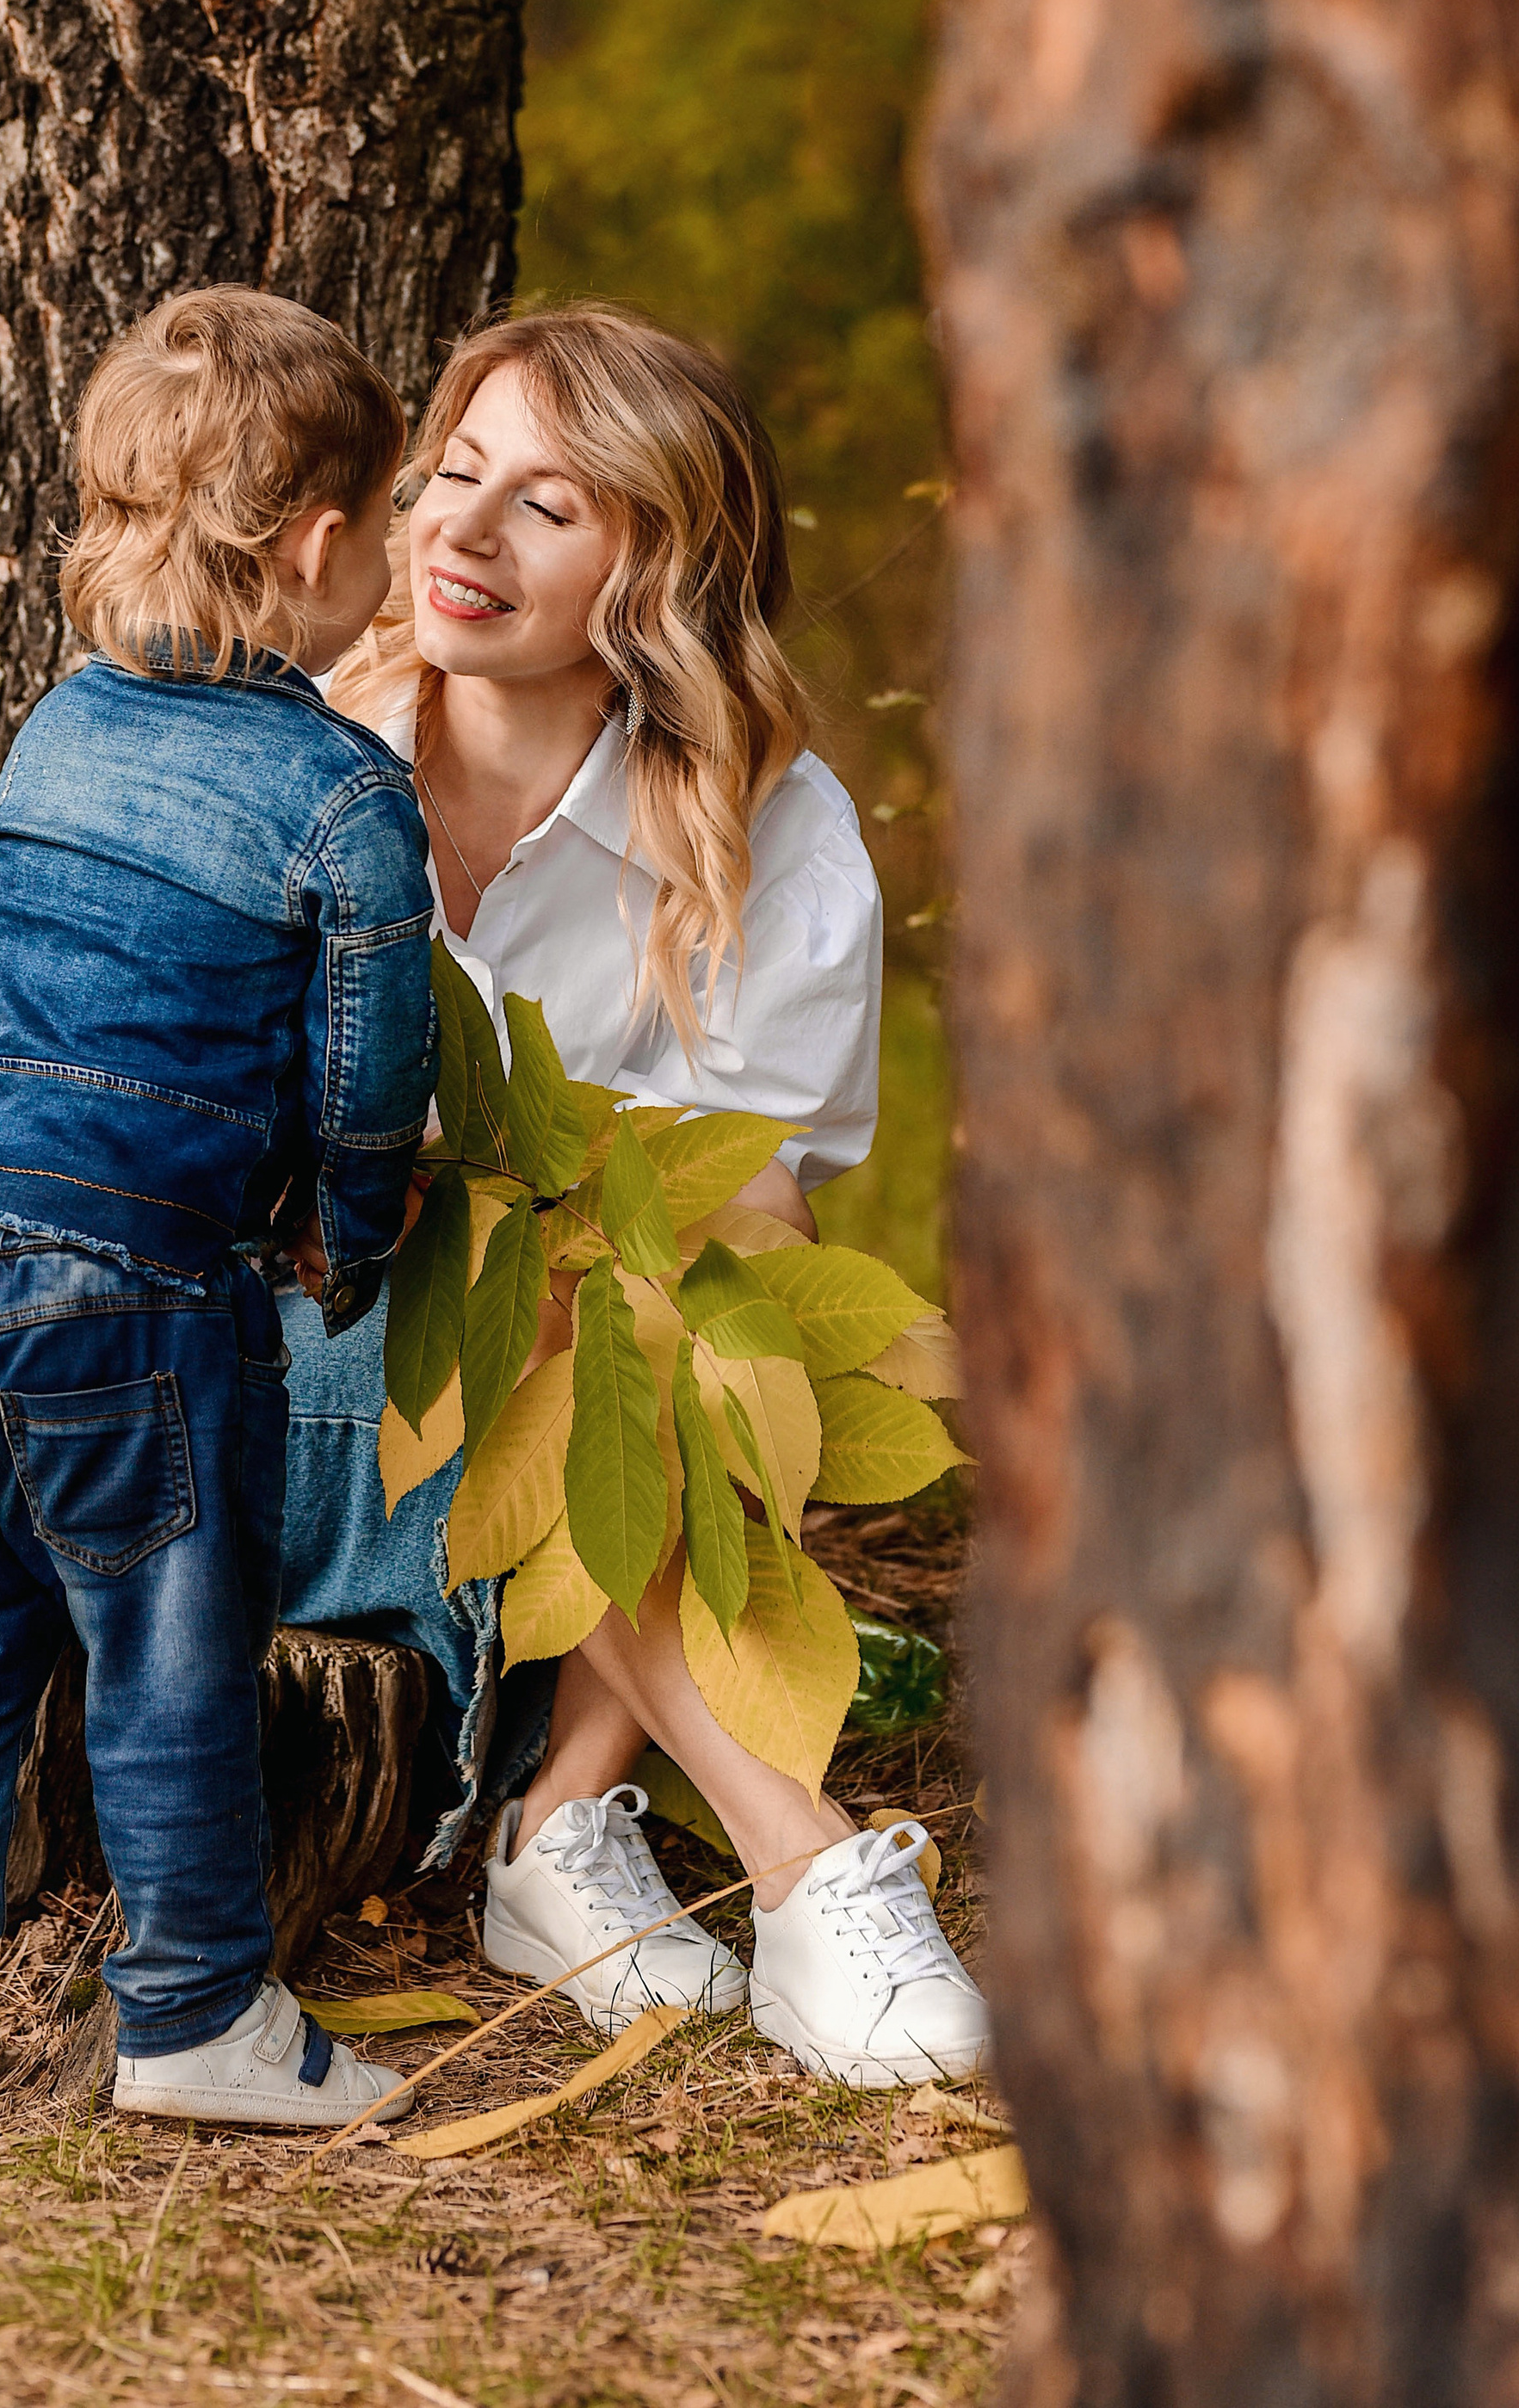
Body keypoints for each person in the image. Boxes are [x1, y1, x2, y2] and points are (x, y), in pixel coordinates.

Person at [281, 306, 989, 2086]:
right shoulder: (297, 746)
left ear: (655, 565)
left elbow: (755, 1212)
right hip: (296, 1372)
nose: (457, 530)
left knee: (677, 1296)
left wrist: (597, 1276)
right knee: (521, 1254)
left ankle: (558, 1817)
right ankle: (801, 1854)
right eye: (453, 474)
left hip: (577, 1397)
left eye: (548, 504)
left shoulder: (768, 824)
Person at [0, 290, 437, 2129]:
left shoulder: (55, 730)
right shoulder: (339, 793)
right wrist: (353, 1219)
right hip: (134, 1300)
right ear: (323, 547)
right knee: (167, 1664)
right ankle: (188, 2019)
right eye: (385, 529)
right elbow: (366, 1072)